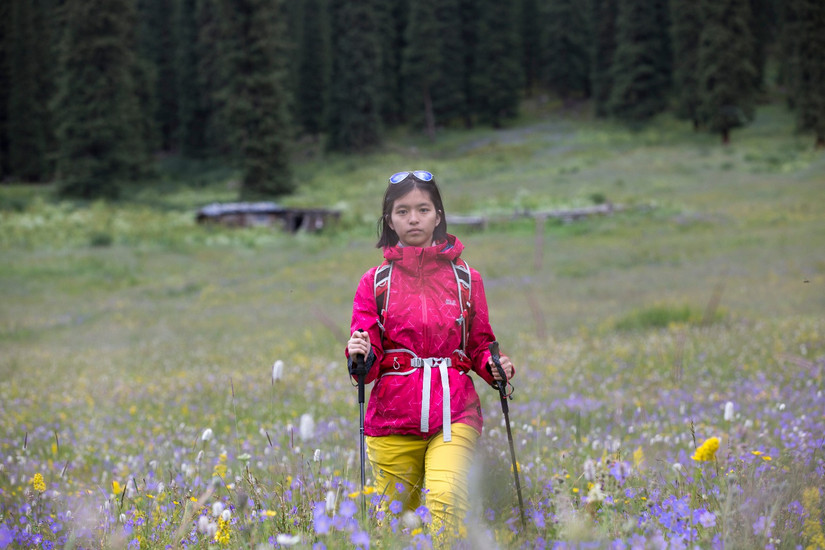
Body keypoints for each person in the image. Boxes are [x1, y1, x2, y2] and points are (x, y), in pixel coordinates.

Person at [345, 170, 515, 542]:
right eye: (402, 211)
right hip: (391, 421)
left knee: (446, 499)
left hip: (455, 415)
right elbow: (366, 356)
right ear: (389, 220)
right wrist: (359, 354)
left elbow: (480, 344)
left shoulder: (466, 278)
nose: (413, 218)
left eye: (422, 209)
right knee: (393, 525)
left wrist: (496, 366)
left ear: (438, 214)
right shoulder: (375, 282)